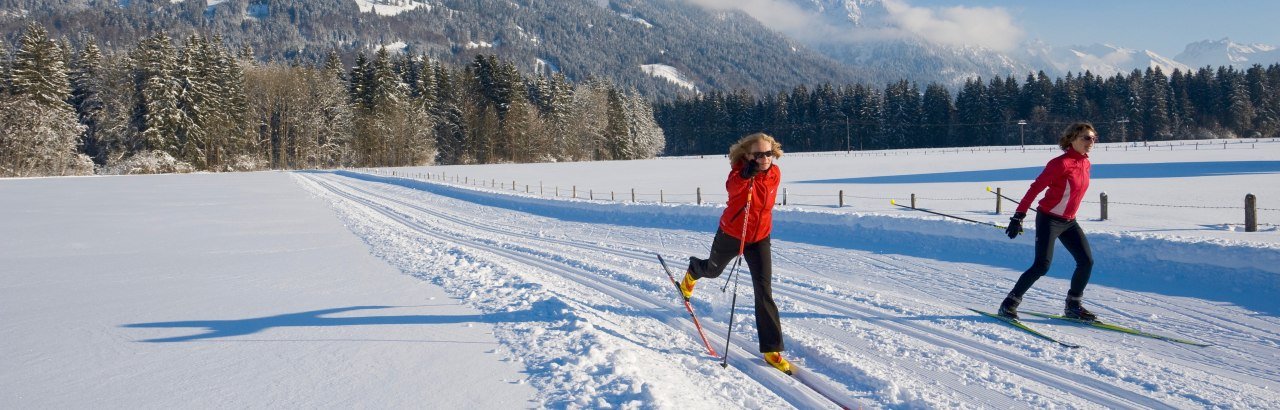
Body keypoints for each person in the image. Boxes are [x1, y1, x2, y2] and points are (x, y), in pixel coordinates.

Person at [679, 132, 789, 373]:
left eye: (768, 153)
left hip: (759, 238)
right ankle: (692, 272)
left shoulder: (775, 174)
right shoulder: (739, 175)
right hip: (732, 234)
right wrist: (744, 175)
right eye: (758, 154)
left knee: (764, 290)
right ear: (746, 155)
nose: (764, 159)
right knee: (712, 270)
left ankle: (771, 349)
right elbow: (732, 187)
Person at [998, 122, 1099, 321]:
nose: (1091, 142)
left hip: (1069, 221)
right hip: (1049, 220)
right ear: (1072, 139)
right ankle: (1009, 303)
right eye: (1086, 138)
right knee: (1042, 265)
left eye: (1094, 138)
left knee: (1086, 262)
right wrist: (1018, 216)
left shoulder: (1085, 163)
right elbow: (1035, 189)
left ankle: (1073, 306)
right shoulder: (1060, 163)